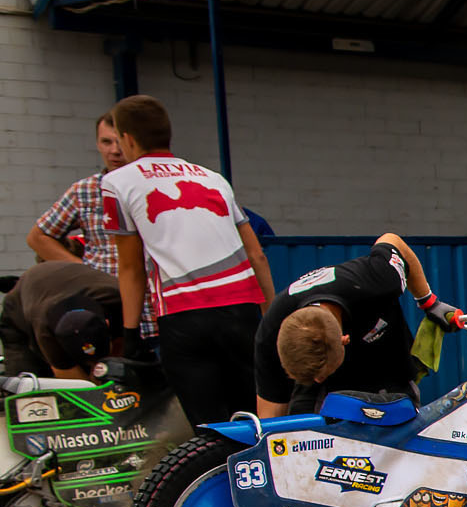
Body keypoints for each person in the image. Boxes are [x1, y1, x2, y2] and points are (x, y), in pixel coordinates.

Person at [99, 95, 273, 429]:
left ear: (129, 139)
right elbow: (257, 255)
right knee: (254, 423)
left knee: (209, 430)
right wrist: (270, 316)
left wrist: (130, 332)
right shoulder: (213, 178)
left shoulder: (117, 182)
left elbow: (131, 268)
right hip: (243, 311)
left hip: (185, 317)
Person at [254, 234, 462, 416]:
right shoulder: (271, 333)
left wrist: (428, 301)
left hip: (386, 369)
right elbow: (270, 415)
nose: (317, 379)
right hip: (320, 394)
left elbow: (393, 240)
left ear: (344, 339)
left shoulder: (378, 280)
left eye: (321, 374)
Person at [27, 114, 127, 279]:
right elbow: (37, 238)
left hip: (153, 295)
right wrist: (86, 272)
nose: (115, 151)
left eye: (120, 142)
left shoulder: (153, 185)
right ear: (97, 144)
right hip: (105, 294)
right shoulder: (85, 191)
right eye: (106, 142)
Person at [2, 260, 125, 379]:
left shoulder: (119, 299)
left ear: (107, 324)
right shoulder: (45, 328)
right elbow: (69, 376)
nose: (94, 366)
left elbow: (123, 343)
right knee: (27, 385)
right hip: (19, 310)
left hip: (67, 283)